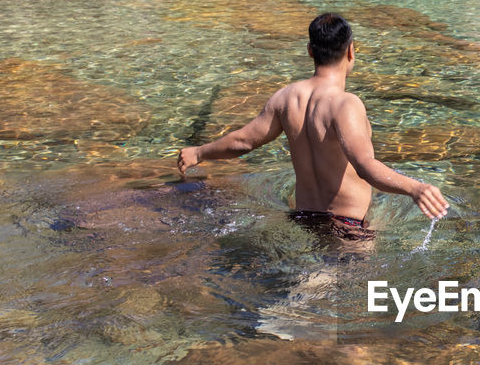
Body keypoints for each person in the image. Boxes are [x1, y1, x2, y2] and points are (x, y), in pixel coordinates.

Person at [176, 12, 449, 237]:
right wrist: (416, 188)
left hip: (302, 220)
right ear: (351, 51)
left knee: (311, 286)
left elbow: (243, 142)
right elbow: (365, 166)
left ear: (310, 51)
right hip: (348, 227)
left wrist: (199, 152)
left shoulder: (286, 98)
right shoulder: (346, 104)